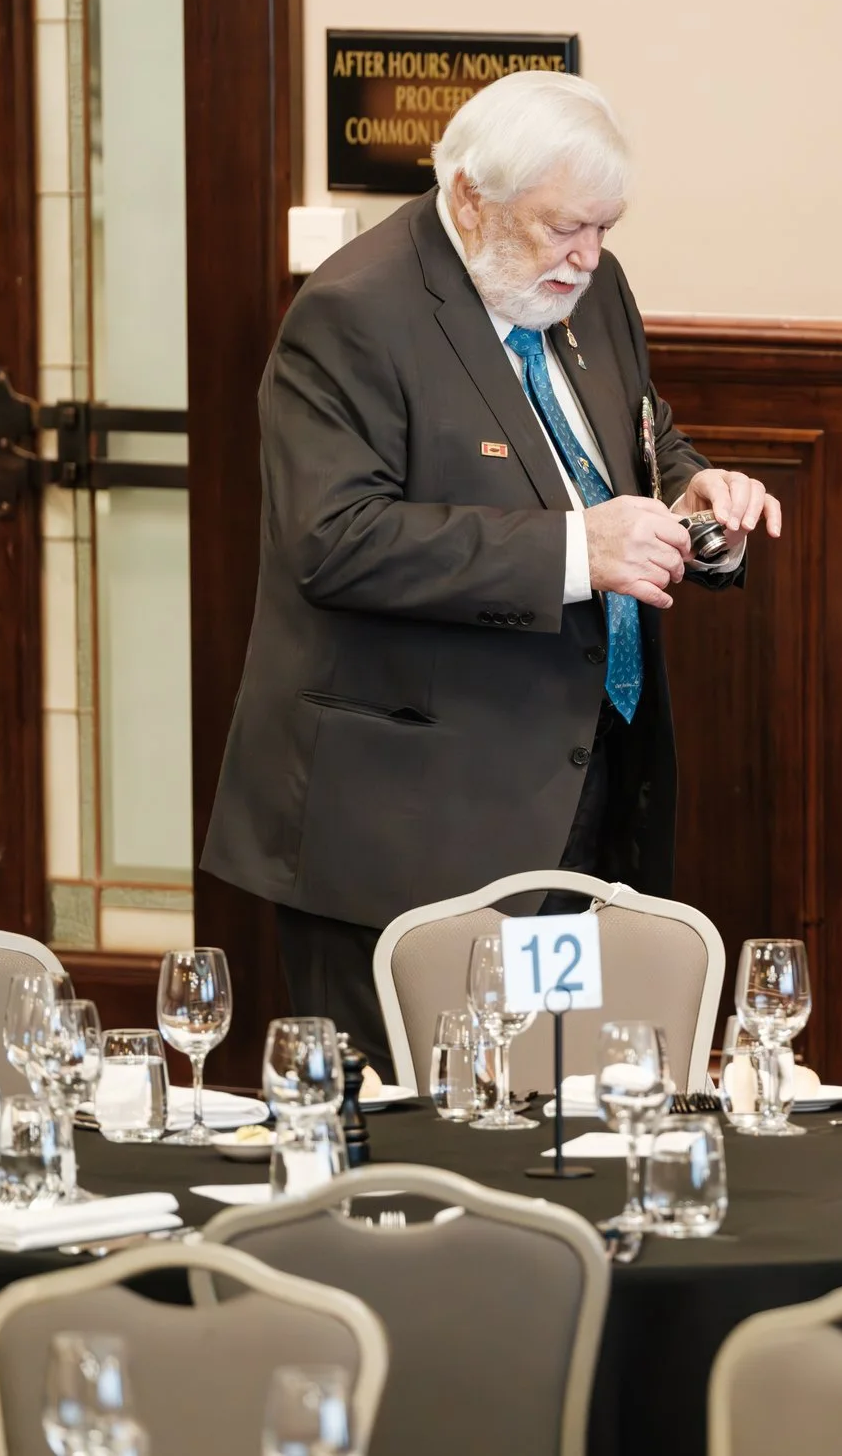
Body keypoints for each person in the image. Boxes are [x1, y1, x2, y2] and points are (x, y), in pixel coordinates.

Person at [200, 72, 780, 1075]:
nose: (588, 256)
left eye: (604, 228)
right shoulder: (352, 313)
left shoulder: (590, 287)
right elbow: (332, 540)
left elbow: (637, 440)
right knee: (416, 1125)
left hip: (575, 791)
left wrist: (695, 498)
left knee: (546, 1095)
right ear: (470, 198)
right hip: (408, 825)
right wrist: (577, 551)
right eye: (564, 227)